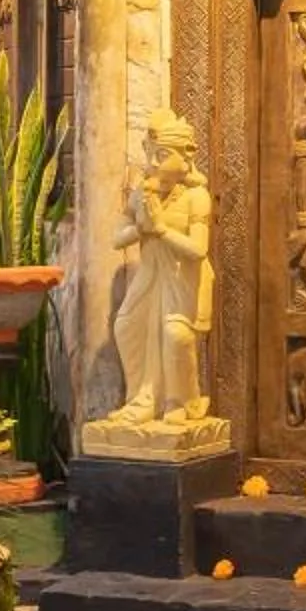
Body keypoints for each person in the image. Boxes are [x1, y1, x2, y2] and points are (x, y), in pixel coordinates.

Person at [111, 110, 213, 424]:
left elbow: (198, 250)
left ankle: (181, 400)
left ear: (186, 158)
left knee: (175, 336)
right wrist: (140, 228)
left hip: (185, 279)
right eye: (151, 155)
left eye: (163, 155)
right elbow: (118, 239)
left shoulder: (196, 197)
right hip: (151, 274)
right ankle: (142, 399)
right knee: (126, 326)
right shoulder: (142, 195)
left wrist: (161, 230)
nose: (154, 163)